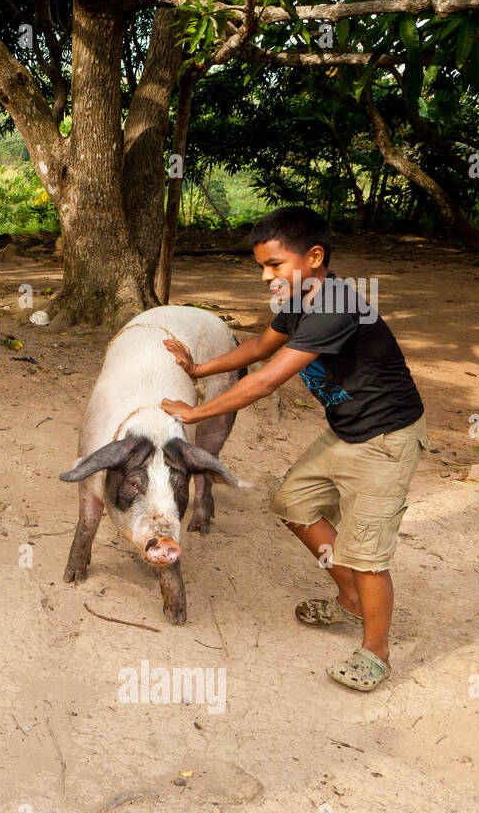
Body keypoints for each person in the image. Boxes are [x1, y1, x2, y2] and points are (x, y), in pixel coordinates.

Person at [158, 206, 427, 692]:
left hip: (387, 438)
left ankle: (376, 651)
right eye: (261, 266)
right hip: (349, 429)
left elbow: (266, 379)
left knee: (367, 553)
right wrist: (198, 370)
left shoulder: (338, 305)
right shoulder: (302, 298)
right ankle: (349, 598)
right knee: (293, 503)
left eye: (275, 264)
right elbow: (262, 345)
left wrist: (193, 414)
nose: (266, 276)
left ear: (315, 256)